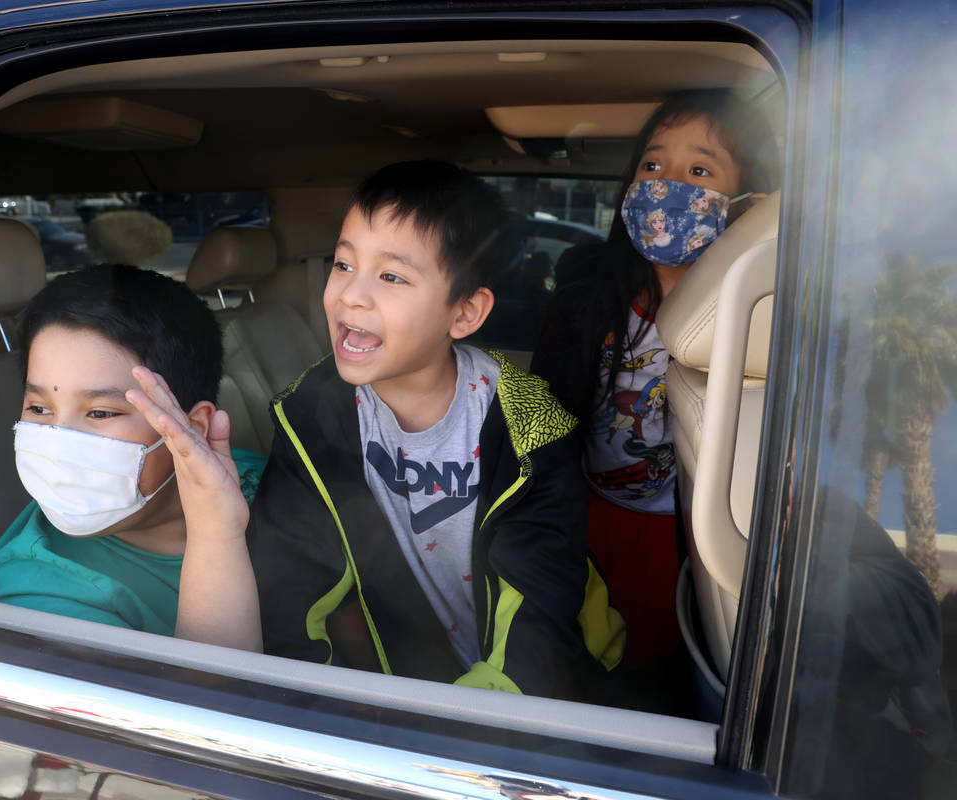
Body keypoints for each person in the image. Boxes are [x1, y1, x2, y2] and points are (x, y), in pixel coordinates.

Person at [247, 161, 625, 698]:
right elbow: (290, 585)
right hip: (416, 675)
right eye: (343, 264)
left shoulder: (529, 432)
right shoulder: (311, 416)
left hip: (544, 687)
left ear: (465, 313)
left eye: (391, 276)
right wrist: (303, 707)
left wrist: (475, 721)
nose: (351, 295)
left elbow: (538, 614)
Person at [530, 90, 778, 681]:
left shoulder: (760, 314)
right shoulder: (586, 302)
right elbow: (544, 418)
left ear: (745, 201)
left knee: (669, 666)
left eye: (699, 170)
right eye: (651, 165)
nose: (667, 185)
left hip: (692, 533)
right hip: (594, 515)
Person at [0, 264, 262, 650]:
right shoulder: (32, 598)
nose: (59, 444)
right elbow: (219, 704)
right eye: (39, 409)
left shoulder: (262, 479)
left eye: (101, 413)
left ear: (193, 429)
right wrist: (216, 536)